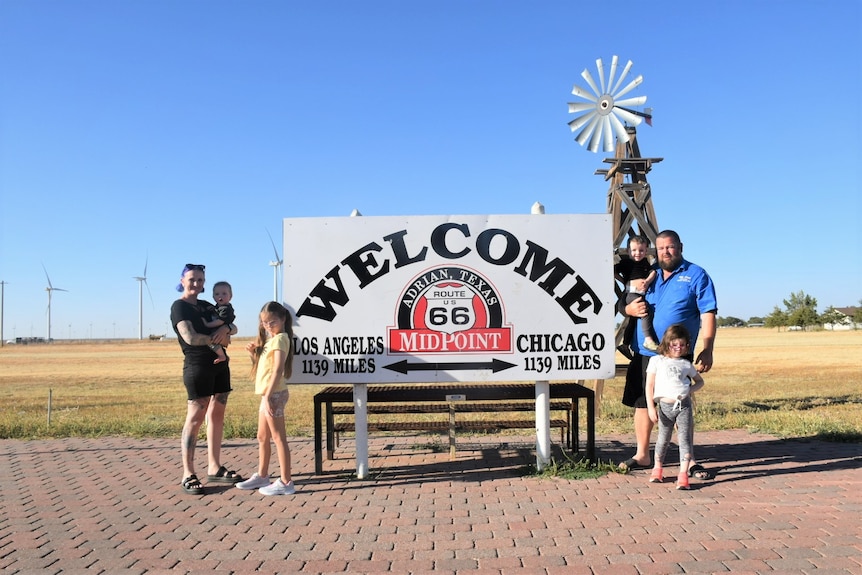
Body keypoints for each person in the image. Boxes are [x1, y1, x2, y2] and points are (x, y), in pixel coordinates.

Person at [619, 229, 717, 481]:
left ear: (680, 247)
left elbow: (708, 313)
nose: (666, 252)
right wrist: (627, 308)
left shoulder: (696, 275)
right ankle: (642, 454)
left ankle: (689, 459)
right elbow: (624, 300)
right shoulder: (646, 273)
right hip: (644, 351)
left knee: (678, 404)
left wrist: (707, 348)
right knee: (643, 402)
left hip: (676, 353)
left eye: (670, 247)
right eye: (661, 248)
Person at [171, 263, 243, 495]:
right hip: (198, 366)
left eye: (201, 280)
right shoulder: (179, 307)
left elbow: (231, 326)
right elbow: (190, 337)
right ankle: (188, 473)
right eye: (192, 279)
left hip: (220, 365)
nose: (196, 284)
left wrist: (228, 329)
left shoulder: (206, 305)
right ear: (183, 280)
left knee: (217, 413)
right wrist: (217, 339)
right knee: (196, 416)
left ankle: (214, 466)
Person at [235, 301, 296, 496]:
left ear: (283, 319)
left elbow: (277, 369)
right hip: (268, 394)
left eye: (272, 321)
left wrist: (269, 396)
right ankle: (262, 475)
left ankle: (286, 481)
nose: (268, 326)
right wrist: (254, 354)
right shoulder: (271, 340)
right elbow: (266, 367)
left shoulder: (280, 339)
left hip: (274, 394)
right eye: (264, 322)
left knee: (278, 438)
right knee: (262, 437)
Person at [645, 324, 706, 490]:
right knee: (663, 438)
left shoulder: (686, 364)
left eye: (682, 345)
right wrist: (651, 407)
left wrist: (688, 390)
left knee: (684, 439)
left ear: (687, 345)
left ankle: (683, 474)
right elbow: (649, 385)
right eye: (674, 345)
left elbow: (700, 382)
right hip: (664, 407)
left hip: (683, 407)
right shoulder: (656, 361)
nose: (678, 348)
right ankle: (657, 468)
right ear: (667, 343)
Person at [614, 235, 659, 350]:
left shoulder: (644, 262)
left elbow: (652, 271)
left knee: (633, 320)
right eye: (634, 250)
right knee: (644, 311)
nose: (637, 253)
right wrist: (624, 281)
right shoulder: (626, 263)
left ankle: (625, 345)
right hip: (631, 293)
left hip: (640, 293)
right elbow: (612, 271)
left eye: (641, 250)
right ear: (629, 251)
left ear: (646, 251)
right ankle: (648, 339)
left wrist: (648, 281)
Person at [201, 281, 236, 364]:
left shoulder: (226, 309)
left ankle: (222, 356)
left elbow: (220, 321)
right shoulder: (217, 307)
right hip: (219, 332)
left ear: (230, 296)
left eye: (224, 294)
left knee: (211, 342)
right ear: (213, 296)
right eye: (217, 294)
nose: (220, 296)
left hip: (217, 331)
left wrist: (207, 324)